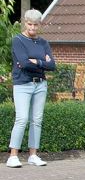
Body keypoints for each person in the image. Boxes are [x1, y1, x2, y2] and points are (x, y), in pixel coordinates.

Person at [8, 9, 55, 168]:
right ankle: (13, 156)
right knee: (22, 119)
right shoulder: (18, 40)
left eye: (36, 25)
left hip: (40, 84)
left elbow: (52, 65)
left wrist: (37, 62)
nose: (33, 28)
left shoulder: (43, 43)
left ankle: (33, 155)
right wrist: (41, 62)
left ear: (39, 25)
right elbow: (23, 62)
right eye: (30, 24)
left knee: (37, 120)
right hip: (23, 84)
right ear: (25, 22)